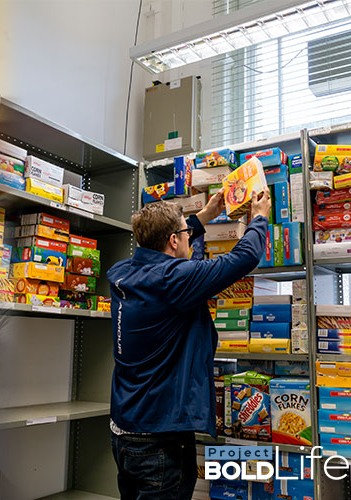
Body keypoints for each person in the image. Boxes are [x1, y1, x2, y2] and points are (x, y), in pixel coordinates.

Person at [106, 188, 271, 500]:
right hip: (159, 439)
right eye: (185, 233)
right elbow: (244, 257)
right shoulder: (174, 279)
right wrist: (259, 218)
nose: (189, 237)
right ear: (173, 240)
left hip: (125, 431)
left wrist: (206, 216)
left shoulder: (122, 274)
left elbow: (165, 241)